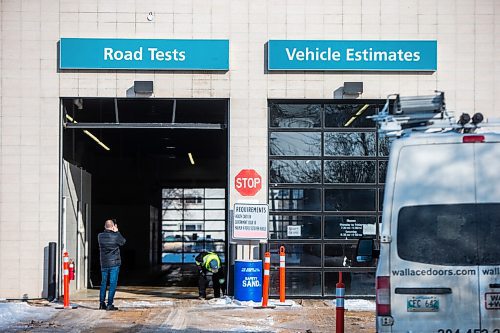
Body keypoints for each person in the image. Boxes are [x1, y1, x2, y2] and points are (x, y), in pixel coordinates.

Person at [98, 219, 126, 310]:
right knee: (112, 283)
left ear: (105, 226)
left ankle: (102, 303)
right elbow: (123, 242)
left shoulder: (100, 236)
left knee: (103, 283)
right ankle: (109, 304)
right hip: (114, 263)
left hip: (104, 263)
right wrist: (117, 232)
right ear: (113, 226)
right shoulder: (115, 236)